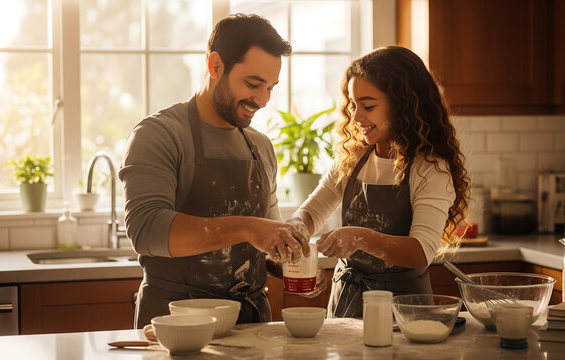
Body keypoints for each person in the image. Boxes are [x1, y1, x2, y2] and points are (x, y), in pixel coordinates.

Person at [119, 14, 314, 328]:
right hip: (176, 324)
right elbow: (146, 230)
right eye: (252, 84)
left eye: (270, 88)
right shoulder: (158, 135)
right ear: (215, 66)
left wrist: (290, 259)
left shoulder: (260, 146)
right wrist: (249, 228)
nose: (263, 100)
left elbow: (265, 241)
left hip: (251, 324)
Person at [288, 46, 470, 318]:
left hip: (404, 313)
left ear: (403, 105)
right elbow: (311, 212)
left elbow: (422, 251)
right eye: (353, 105)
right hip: (346, 304)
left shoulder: (429, 168)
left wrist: (360, 237)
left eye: (368, 106)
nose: (357, 117)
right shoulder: (353, 158)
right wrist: (297, 234)